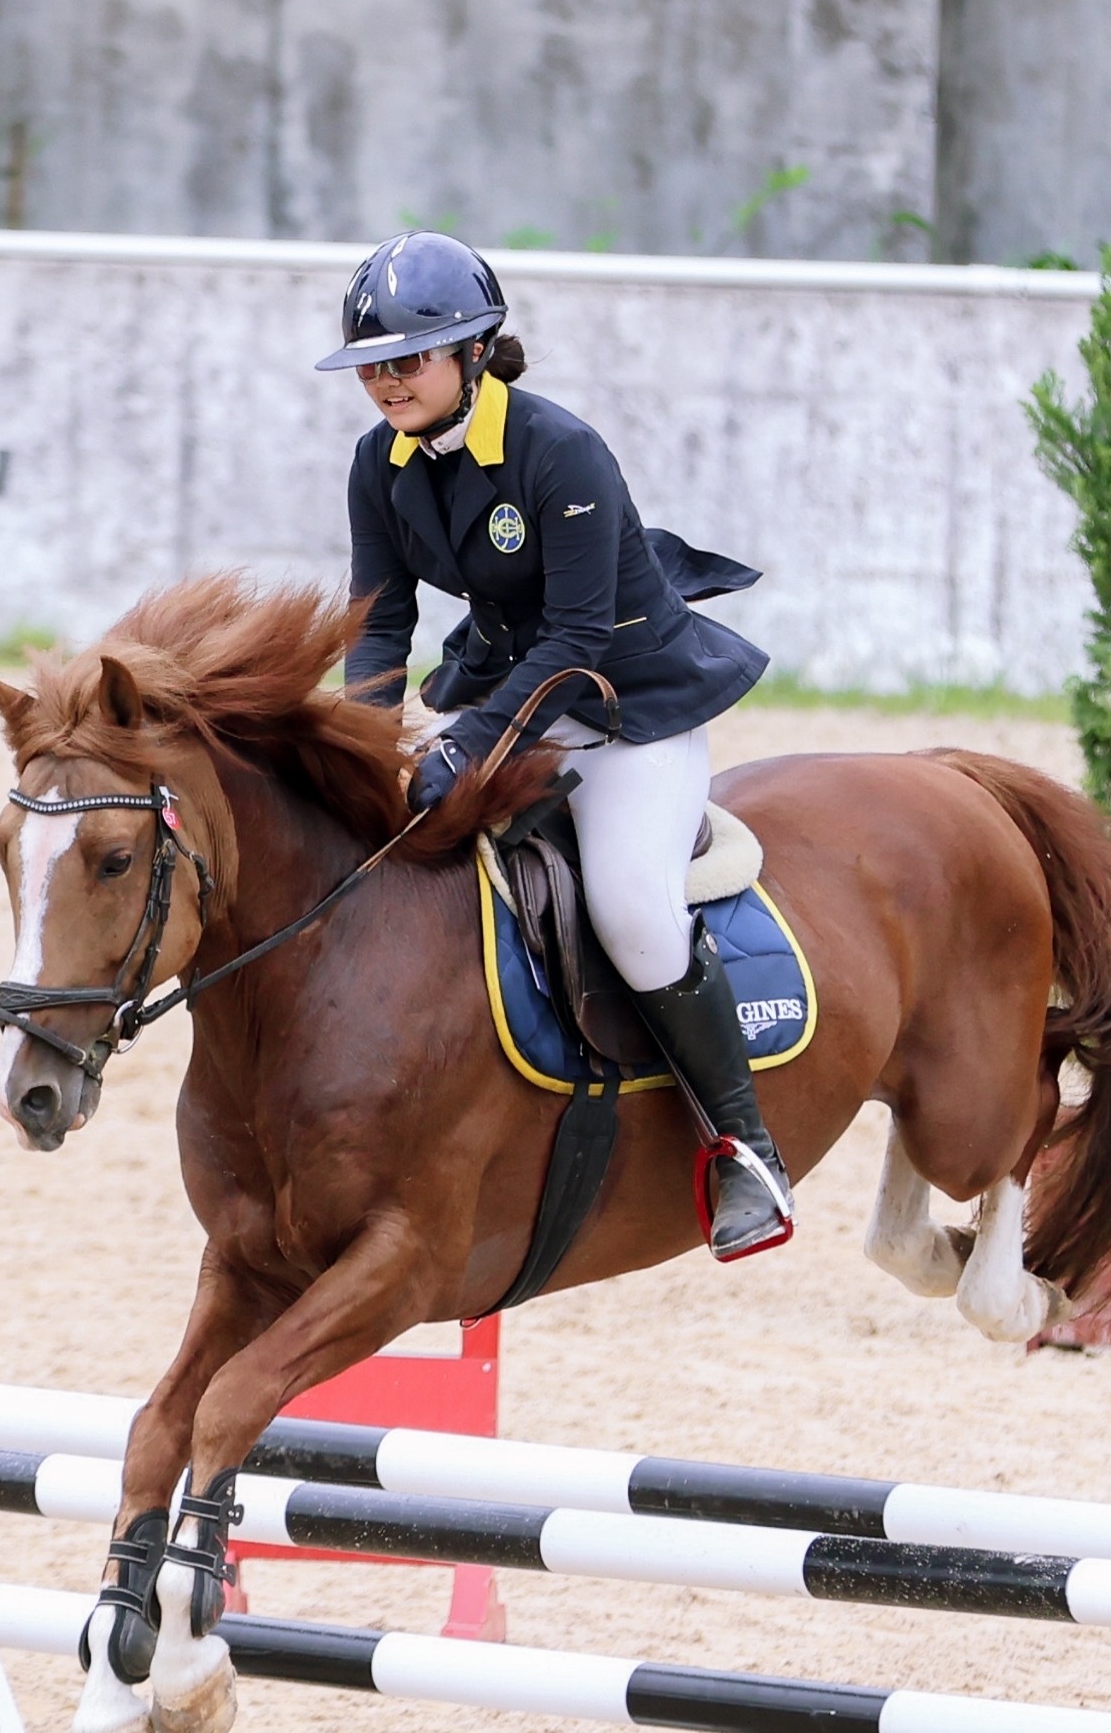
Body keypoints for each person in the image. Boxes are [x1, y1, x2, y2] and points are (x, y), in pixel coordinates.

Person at [320, 230, 793, 1261]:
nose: (387, 382)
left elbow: (578, 638)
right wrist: (361, 744)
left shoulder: (557, 450)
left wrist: (467, 749)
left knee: (629, 904)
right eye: (372, 365)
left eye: (408, 358)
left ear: (474, 353)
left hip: (624, 710)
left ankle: (743, 1148)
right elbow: (381, 621)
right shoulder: (378, 463)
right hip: (501, 691)